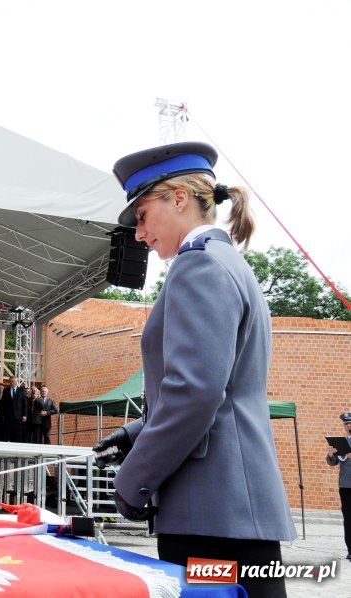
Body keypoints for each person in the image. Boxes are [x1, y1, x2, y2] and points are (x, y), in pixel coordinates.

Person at [93, 141, 295, 597]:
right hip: (233, 513)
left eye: (142, 215)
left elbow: (196, 394)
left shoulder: (198, 266)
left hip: (210, 516)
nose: (140, 235)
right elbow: (222, 392)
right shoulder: (228, 263)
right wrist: (136, 434)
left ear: (179, 198)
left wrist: (134, 481)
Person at [327, 412, 351, 561]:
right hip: (346, 486)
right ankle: (350, 549)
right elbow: (333, 462)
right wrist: (330, 454)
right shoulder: (341, 442)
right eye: (346, 424)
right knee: (348, 519)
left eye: (350, 424)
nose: (348, 426)